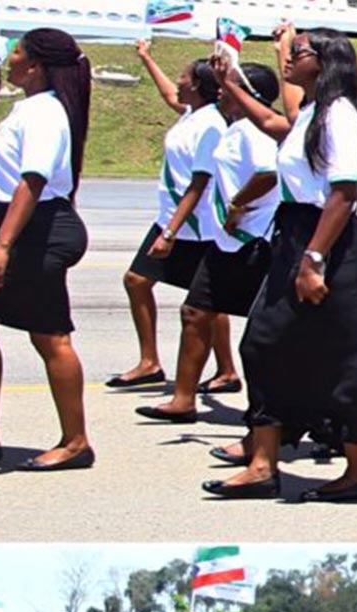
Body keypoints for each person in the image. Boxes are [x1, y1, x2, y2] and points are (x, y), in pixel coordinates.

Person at [205, 26, 357, 502]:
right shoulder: (315, 111)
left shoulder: (341, 115)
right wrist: (232, 85)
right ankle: (262, 464)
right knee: (266, 346)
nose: (289, 60)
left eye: (298, 52)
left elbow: (343, 192)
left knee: (345, 357)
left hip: (329, 242)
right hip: (299, 235)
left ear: (325, 61)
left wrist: (313, 259)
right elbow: (279, 127)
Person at [0, 28, 96, 472]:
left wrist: (2, 245)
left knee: (50, 337)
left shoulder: (46, 113)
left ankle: (75, 442)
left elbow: (32, 180)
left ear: (34, 65)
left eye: (15, 53)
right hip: (25, 230)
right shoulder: (32, 109)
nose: (8, 60)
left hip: (39, 232)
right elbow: (10, 165)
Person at [140, 55, 282, 424]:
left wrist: (237, 203)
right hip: (226, 240)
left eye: (230, 83)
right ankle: (183, 400)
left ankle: (281, 413)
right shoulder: (234, 126)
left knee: (269, 333)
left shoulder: (254, 131)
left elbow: (269, 173)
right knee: (196, 312)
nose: (221, 90)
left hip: (254, 240)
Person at [112, 41, 237, 399]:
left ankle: (226, 369)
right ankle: (150, 362)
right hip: (172, 217)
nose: (178, 82)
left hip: (192, 225)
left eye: (183, 76)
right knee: (138, 281)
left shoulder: (211, 124)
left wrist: (171, 231)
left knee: (209, 300)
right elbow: (170, 95)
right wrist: (146, 57)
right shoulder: (191, 114)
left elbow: (200, 182)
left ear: (197, 84)